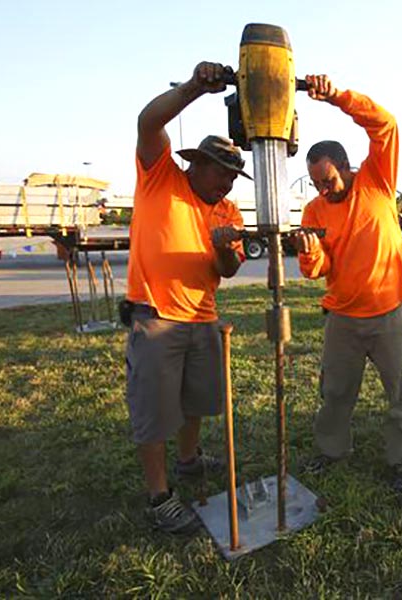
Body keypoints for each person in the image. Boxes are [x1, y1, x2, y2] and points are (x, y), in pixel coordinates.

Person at [125, 61, 248, 533]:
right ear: (195, 163)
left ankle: (190, 460)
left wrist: (224, 251)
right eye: (222, 174)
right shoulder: (160, 176)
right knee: (156, 411)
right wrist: (197, 87)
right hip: (156, 315)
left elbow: (229, 269)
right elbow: (148, 122)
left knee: (196, 399)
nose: (228, 185)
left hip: (203, 316)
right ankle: (160, 498)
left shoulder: (228, 209)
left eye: (235, 178)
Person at [294, 74, 402, 494]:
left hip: (389, 315)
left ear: (347, 168)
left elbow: (384, 124)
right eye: (315, 183)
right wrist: (310, 250)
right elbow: (316, 270)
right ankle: (332, 451)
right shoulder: (314, 210)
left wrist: (336, 97)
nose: (322, 189)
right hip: (343, 319)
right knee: (335, 393)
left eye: (327, 180)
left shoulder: (376, 181)